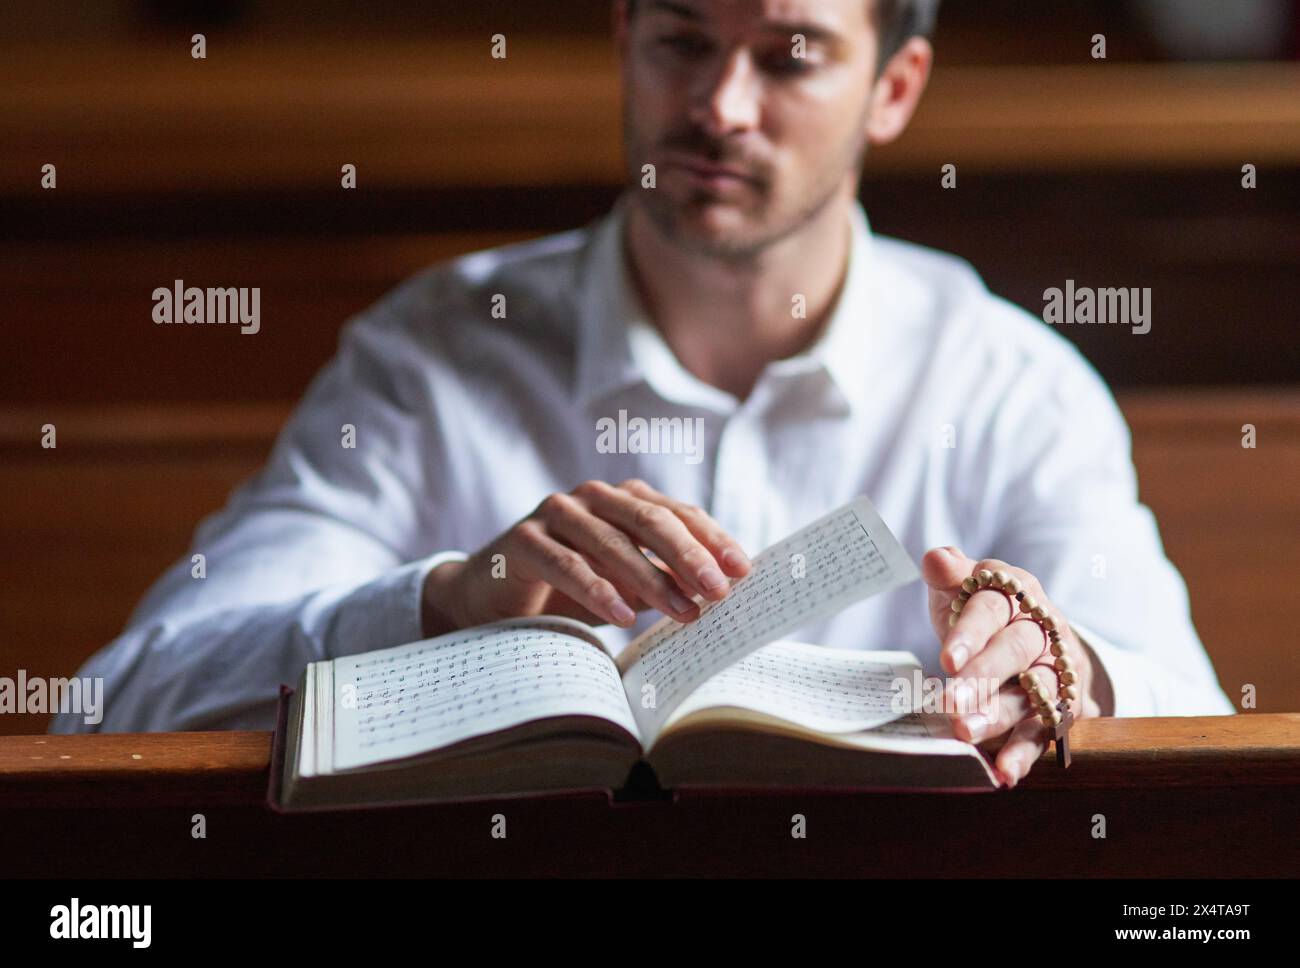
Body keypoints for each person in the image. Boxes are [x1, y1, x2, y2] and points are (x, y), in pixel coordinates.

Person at [53, 0, 1234, 787]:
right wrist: (444, 601)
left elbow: (1197, 724)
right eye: (679, 40)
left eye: (790, 54)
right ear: (622, 39)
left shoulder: (1008, 381)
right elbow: (110, 706)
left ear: (894, 87)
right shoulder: (427, 354)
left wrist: (1064, 665)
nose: (719, 107)